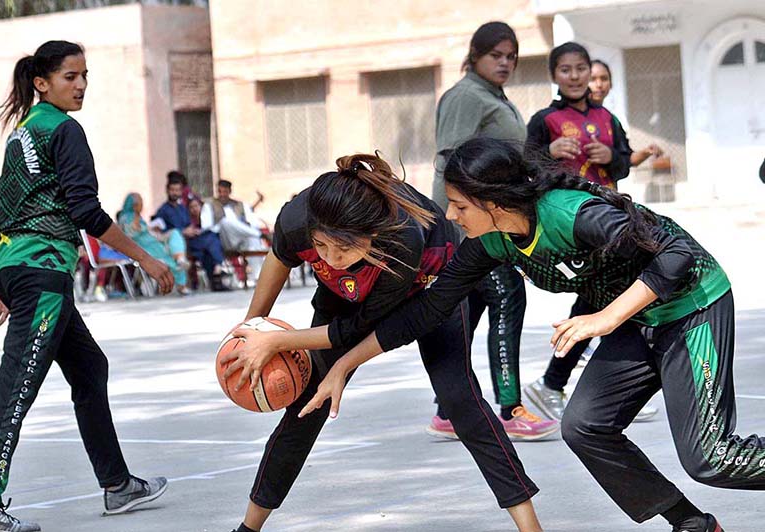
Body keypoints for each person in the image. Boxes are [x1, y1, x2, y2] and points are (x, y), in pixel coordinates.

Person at [304, 137, 763, 532]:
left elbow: (677, 253)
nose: (451, 214)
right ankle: (692, 523)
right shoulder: (495, 239)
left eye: (460, 205)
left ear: (494, 202)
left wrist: (604, 319)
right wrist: (346, 361)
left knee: (711, 458)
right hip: (640, 318)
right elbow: (427, 311)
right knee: (585, 428)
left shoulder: (570, 214)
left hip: (692, 306)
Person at [219, 153, 544, 532]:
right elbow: (280, 257)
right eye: (322, 248)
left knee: (460, 400)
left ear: (372, 234)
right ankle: (248, 528)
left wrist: (278, 341)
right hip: (343, 297)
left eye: (343, 250)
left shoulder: (402, 238)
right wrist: (250, 331)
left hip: (429, 288)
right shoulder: (299, 217)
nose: (331, 258)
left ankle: (530, 527)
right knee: (308, 406)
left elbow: (359, 330)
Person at [0, 41, 172, 532]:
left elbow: (1, 205)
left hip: (22, 270)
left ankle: (118, 486)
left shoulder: (23, 133)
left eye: (85, 76)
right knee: (16, 385)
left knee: (89, 367)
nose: (80, 86)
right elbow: (85, 210)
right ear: (42, 82)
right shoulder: (64, 130)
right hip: (41, 274)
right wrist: (145, 257)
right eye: (69, 77)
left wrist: (2, 279)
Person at [429, 21, 557, 441]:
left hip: (491, 223)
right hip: (476, 229)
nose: (505, 63)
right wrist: (453, 228)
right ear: (475, 56)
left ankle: (448, 409)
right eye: (495, 56)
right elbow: (449, 162)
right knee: (507, 296)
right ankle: (510, 409)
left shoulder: (491, 96)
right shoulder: (466, 95)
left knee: (470, 312)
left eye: (511, 57)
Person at [523, 42, 637, 422]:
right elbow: (527, 168)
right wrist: (549, 151)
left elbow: (623, 164)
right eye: (566, 69)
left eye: (580, 68)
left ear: (592, 72)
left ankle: (557, 383)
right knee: (604, 299)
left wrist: (613, 158)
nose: (574, 76)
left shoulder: (608, 118)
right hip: (571, 223)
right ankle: (582, 385)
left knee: (602, 299)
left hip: (612, 220)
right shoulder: (545, 120)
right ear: (554, 75)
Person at [154, 175, 227, 291]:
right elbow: (160, 231)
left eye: (177, 190)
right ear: (168, 191)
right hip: (178, 244)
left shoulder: (182, 208)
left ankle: (216, 277)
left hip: (193, 239)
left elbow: (189, 224)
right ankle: (218, 269)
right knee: (210, 240)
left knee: (210, 240)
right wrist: (183, 232)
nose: (175, 193)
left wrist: (193, 230)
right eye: (172, 190)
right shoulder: (162, 210)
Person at [588, 59, 663, 168]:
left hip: (606, 184)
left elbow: (627, 159)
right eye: (592, 79)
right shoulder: (570, 116)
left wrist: (646, 152)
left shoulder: (611, 120)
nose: (599, 84)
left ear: (611, 84)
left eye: (604, 79)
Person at [119, 192, 190, 295]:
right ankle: (178, 284)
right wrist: (138, 217)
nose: (141, 205)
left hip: (155, 245)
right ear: (133, 204)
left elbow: (146, 231)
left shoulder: (139, 217)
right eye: (139, 203)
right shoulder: (125, 217)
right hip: (142, 248)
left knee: (175, 233)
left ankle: (180, 259)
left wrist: (153, 230)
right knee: (167, 262)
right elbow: (132, 233)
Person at [200, 180, 268, 281]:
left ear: (229, 191)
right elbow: (207, 227)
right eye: (220, 191)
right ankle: (260, 235)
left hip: (241, 238)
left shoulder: (240, 205)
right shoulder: (209, 205)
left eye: (225, 191)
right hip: (224, 240)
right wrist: (227, 225)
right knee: (225, 222)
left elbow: (251, 221)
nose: (222, 194)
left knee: (252, 238)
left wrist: (244, 225)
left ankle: (257, 277)